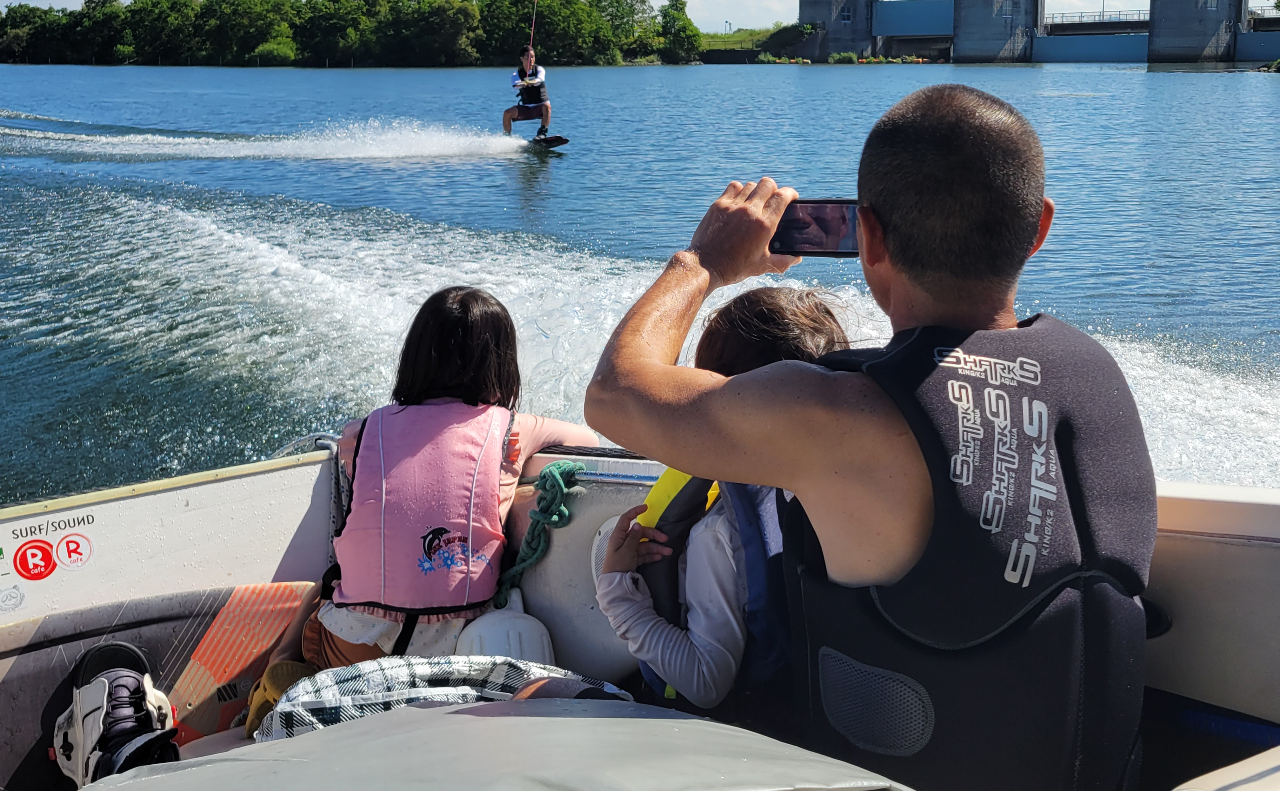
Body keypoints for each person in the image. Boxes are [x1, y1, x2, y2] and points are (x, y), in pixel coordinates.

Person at [584, 85, 1157, 791]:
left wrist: (703, 261)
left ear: (869, 237)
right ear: (1037, 228)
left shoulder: (844, 413)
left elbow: (613, 394)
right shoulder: (1096, 373)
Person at [270, 286, 597, 673]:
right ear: (502, 364)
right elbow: (589, 441)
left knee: (319, 593)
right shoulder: (513, 430)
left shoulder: (363, 432)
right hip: (460, 641)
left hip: (358, 644)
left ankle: (279, 665)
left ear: (415, 359)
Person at [596, 287, 847, 720]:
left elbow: (706, 683)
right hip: (826, 694)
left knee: (604, 545)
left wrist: (616, 594)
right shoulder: (846, 488)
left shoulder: (718, 535)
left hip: (749, 720)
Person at [502, 44, 551, 138]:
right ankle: (506, 137)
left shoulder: (539, 70)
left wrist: (528, 82)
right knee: (507, 113)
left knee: (547, 106)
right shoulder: (516, 74)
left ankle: (542, 133)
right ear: (522, 59)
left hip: (540, 107)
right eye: (527, 57)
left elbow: (539, 80)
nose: (531, 59)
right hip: (527, 108)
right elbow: (515, 85)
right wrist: (525, 83)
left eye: (532, 57)